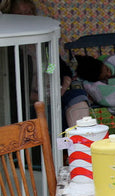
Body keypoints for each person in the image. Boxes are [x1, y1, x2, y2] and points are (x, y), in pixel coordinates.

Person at [8, 0, 91, 129]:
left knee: (77, 97)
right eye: (21, 14)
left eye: (30, 12)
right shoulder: (13, 51)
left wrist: (63, 87)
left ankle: (79, 142)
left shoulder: (43, 44)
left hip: (53, 94)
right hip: (32, 102)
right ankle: (57, 146)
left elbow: (62, 69)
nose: (27, 17)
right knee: (50, 114)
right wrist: (37, 97)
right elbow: (14, 88)